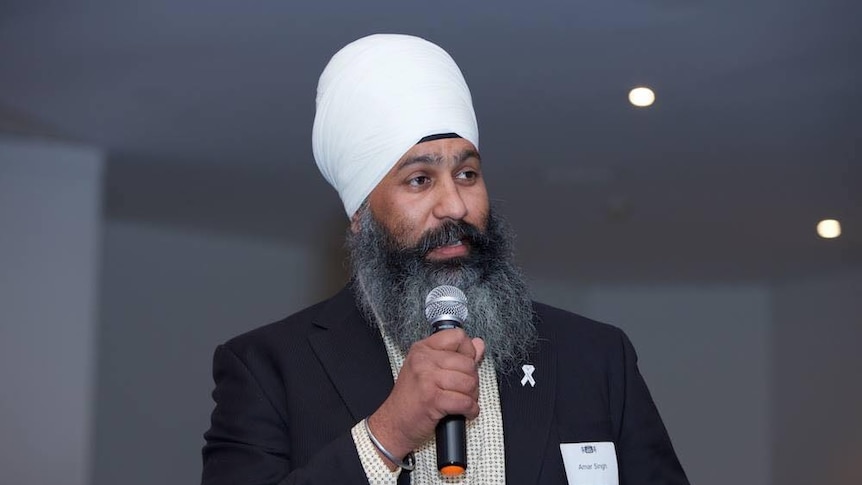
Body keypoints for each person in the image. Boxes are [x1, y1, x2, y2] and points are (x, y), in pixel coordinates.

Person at [201, 33, 689, 485]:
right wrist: (387, 435)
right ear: (359, 215)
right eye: (419, 180)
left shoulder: (595, 357)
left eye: (468, 174)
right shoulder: (268, 369)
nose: (455, 205)